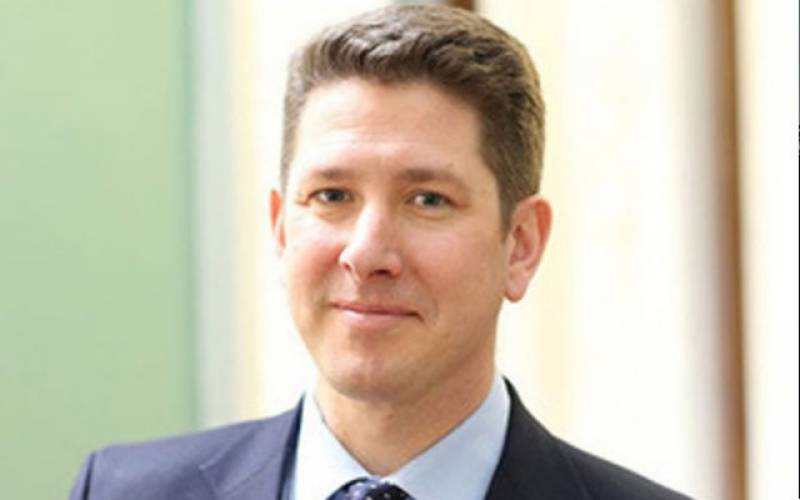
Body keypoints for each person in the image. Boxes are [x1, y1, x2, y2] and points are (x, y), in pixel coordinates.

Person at [70, 5, 690, 499]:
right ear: (281, 229)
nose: (366, 254)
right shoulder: (122, 492)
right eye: (332, 195)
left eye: (428, 200)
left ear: (522, 245)